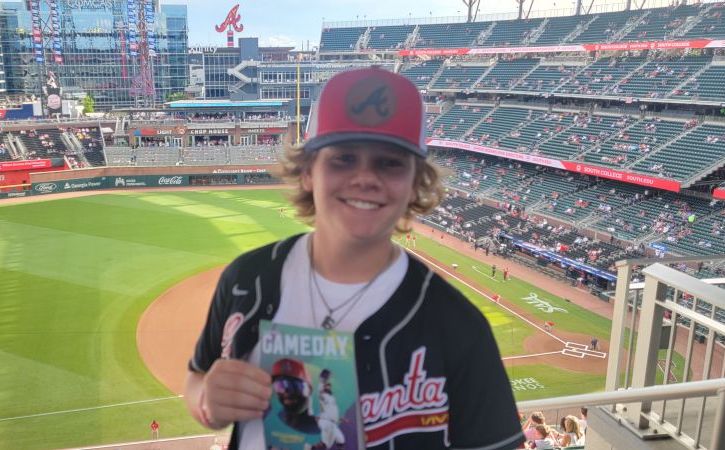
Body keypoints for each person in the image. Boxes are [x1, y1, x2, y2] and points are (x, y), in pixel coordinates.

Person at [185, 67, 523, 449]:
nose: (365, 177)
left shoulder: (459, 327)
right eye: (343, 158)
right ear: (309, 171)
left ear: (416, 182)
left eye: (389, 162)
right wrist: (207, 403)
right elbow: (197, 379)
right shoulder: (247, 279)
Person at [270, 358, 320, 433]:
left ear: (310, 390)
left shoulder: (321, 426)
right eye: (280, 385)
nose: (286, 392)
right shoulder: (275, 420)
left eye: (296, 386)